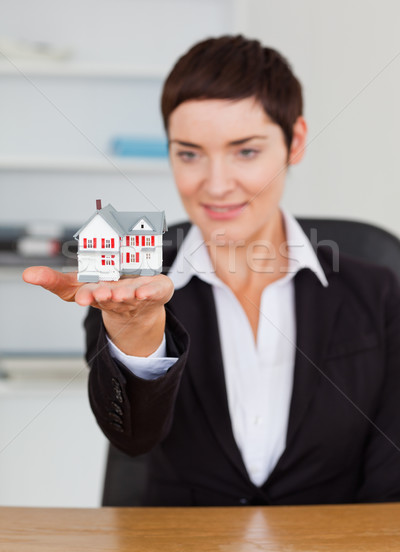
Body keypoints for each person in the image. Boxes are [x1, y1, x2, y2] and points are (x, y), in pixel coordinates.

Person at [23, 35, 400, 506]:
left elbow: (392, 481)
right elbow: (133, 440)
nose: (217, 185)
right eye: (189, 153)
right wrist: (135, 334)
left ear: (295, 141)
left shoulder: (380, 291)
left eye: (246, 151)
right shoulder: (126, 286)